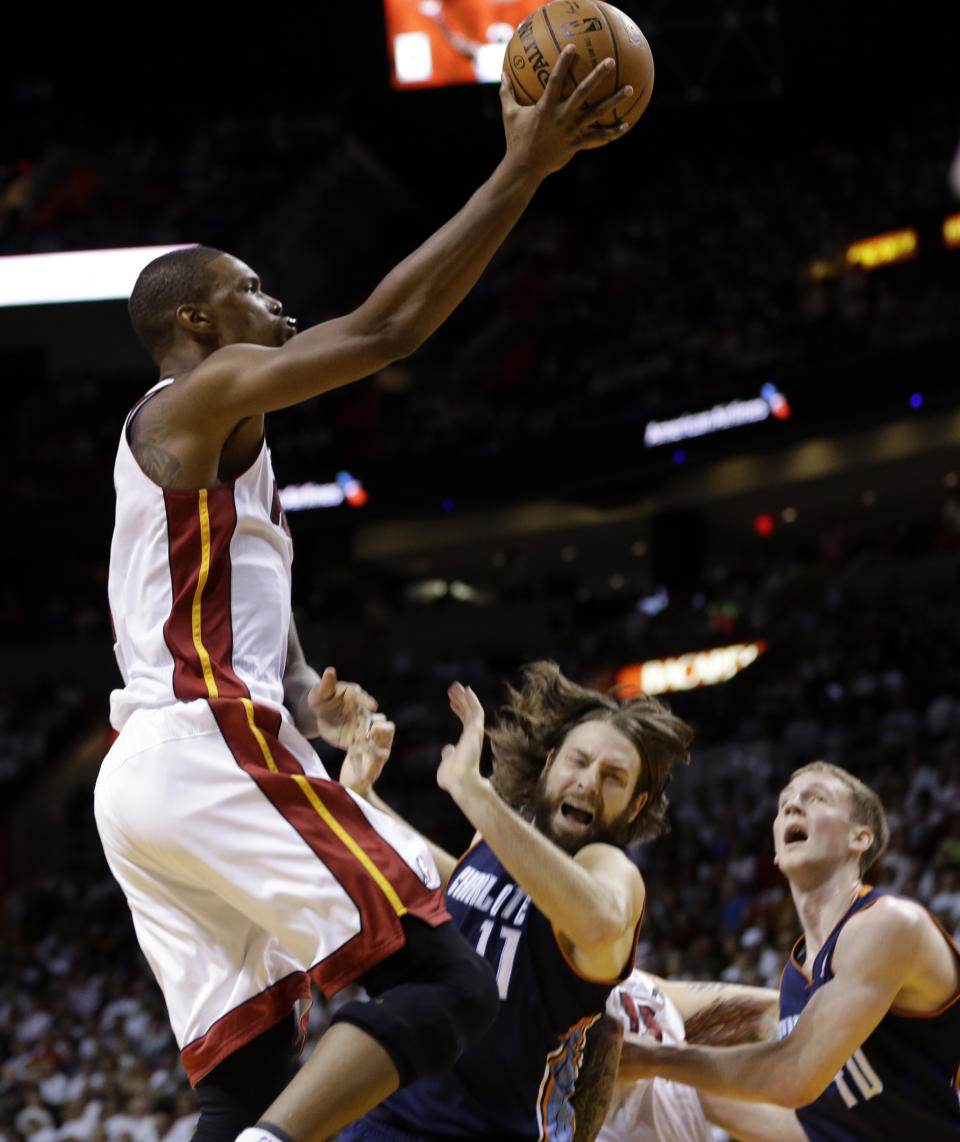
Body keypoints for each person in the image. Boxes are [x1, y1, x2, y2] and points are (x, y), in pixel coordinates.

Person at [93, 50, 638, 1142]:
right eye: (248, 288)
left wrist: (302, 688)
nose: (275, 299)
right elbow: (388, 328)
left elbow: (242, 616)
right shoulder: (199, 395)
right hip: (204, 745)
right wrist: (522, 167)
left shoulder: (219, 447)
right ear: (194, 324)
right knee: (449, 987)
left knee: (245, 1078)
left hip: (150, 778)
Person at [336, 661, 694, 1142]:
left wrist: (474, 793)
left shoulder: (612, 871)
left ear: (634, 805)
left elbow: (599, 924)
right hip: (389, 1116)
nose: (589, 781)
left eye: (614, 777)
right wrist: (364, 800)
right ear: (549, 766)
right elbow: (449, 879)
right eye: (579, 761)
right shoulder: (503, 840)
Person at [617, 761, 960, 1141]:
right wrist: (675, 1085)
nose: (792, 807)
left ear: (859, 839)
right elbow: (814, 1130)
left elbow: (792, 1073)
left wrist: (653, 1059)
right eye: (784, 805)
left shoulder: (890, 925)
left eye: (816, 798)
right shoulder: (798, 977)